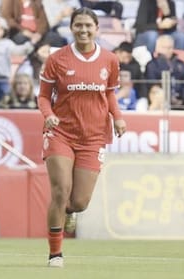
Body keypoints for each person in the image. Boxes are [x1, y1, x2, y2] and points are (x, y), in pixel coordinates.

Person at [38, 7, 126, 268]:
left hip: (94, 136)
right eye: (79, 25)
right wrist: (48, 115)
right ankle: (56, 254)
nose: (84, 30)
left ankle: (67, 212)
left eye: (88, 25)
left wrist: (118, 117)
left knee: (78, 202)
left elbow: (109, 93)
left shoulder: (109, 60)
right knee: (60, 189)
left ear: (97, 28)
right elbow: (43, 95)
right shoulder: (57, 59)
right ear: (71, 28)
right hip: (61, 133)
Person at [145, 35, 184, 108]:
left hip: (182, 101)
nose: (167, 50)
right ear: (157, 48)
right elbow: (152, 85)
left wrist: (182, 98)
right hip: (162, 101)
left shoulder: (181, 64)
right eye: (164, 47)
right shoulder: (152, 65)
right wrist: (170, 98)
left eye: (170, 47)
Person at [0, 0, 66, 47]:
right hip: (19, 32)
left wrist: (39, 34)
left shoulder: (36, 2)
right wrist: (24, 31)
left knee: (58, 40)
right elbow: (7, 18)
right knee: (21, 40)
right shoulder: (10, 1)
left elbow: (44, 22)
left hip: (37, 34)